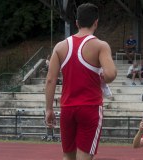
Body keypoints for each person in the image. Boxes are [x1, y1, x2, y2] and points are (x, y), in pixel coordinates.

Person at [45, 3, 117, 160]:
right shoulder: (100, 45)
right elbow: (111, 74)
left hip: (67, 108)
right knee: (84, 157)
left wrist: (49, 109)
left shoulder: (60, 47)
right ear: (96, 22)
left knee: (68, 156)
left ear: (76, 23)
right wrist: (104, 76)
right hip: (90, 108)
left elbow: (50, 80)